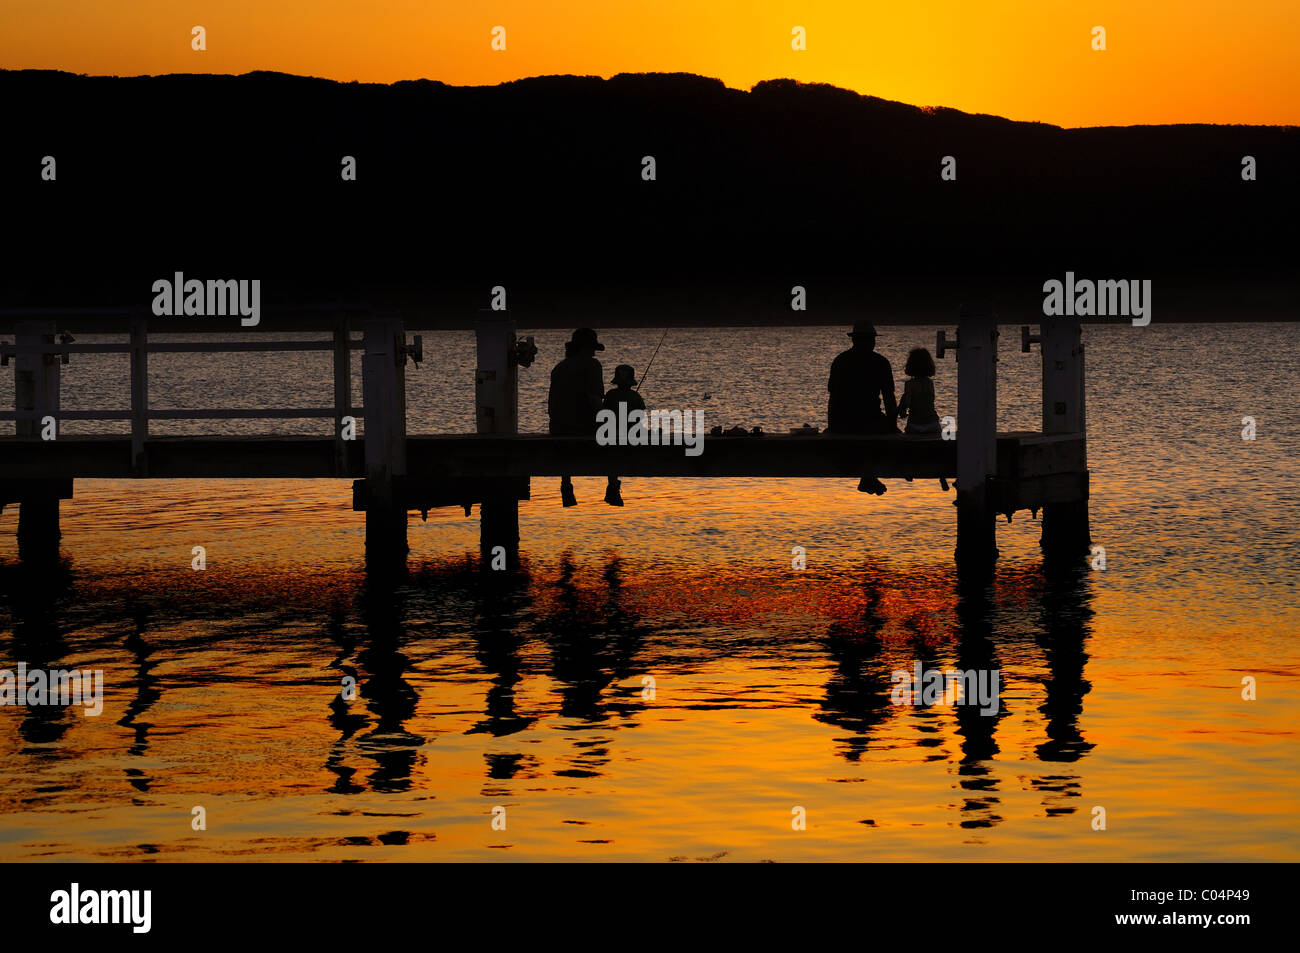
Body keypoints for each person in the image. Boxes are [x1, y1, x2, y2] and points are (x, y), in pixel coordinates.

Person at [827, 320, 898, 495]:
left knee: (867, 433)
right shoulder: (881, 362)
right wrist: (893, 425)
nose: (872, 343)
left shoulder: (840, 361)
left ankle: (868, 477)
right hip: (871, 420)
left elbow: (833, 397)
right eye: (871, 339)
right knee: (880, 434)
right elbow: (889, 398)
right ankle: (868, 477)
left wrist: (832, 425)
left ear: (854, 340)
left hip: (843, 422)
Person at [548, 328, 605, 506]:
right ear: (586, 348)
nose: (594, 352)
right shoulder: (592, 366)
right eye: (592, 348)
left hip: (557, 428)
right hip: (583, 428)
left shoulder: (559, 367)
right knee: (617, 434)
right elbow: (595, 400)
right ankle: (612, 486)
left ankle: (566, 483)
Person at [600, 364, 645, 506]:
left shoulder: (610, 395)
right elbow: (639, 420)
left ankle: (613, 485)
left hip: (611, 438)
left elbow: (604, 416)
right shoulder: (636, 396)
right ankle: (613, 488)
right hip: (631, 440)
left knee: (612, 453)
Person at [898, 347, 940, 435]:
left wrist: (902, 409)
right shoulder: (930, 383)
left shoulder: (910, 384)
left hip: (915, 425)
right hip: (932, 423)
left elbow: (907, 402)